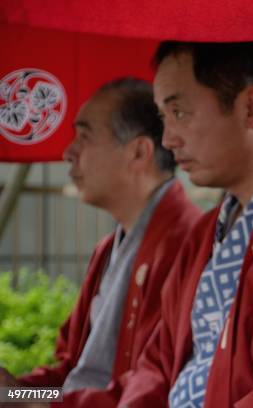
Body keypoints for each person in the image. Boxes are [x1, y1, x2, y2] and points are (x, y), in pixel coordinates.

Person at [64, 41, 253, 408]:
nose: (168, 138)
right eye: (164, 117)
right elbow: (157, 369)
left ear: (251, 108)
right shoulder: (202, 234)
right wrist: (31, 397)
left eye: (179, 112)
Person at [0, 78, 201, 403]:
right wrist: (15, 392)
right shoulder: (107, 250)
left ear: (139, 152)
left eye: (84, 136)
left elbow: (154, 389)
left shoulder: (187, 244)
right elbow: (71, 376)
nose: (68, 152)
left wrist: (32, 400)